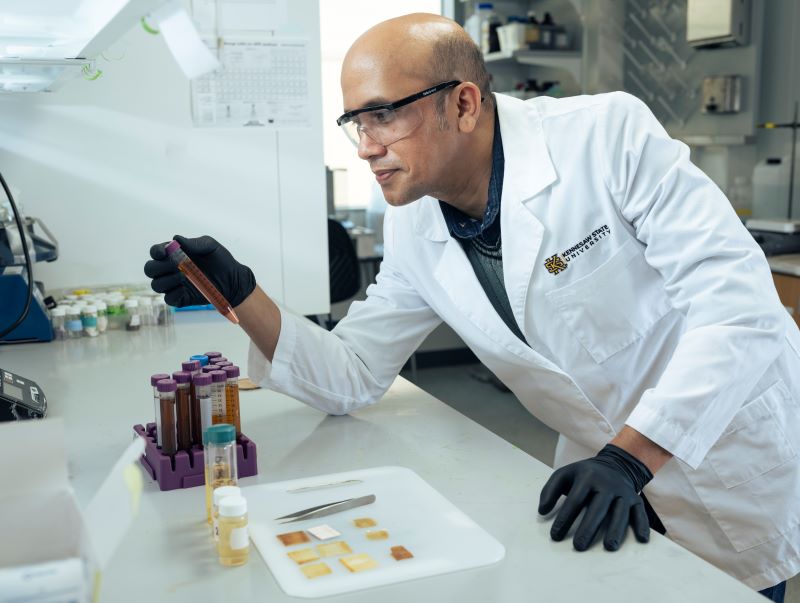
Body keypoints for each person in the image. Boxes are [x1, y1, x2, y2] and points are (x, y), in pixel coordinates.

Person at [145, 14, 799, 600]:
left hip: (721, 454)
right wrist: (240, 293)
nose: (366, 145)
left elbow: (740, 312)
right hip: (597, 477)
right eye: (355, 123)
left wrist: (633, 455)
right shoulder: (414, 226)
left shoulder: (604, 137)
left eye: (383, 115)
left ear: (462, 103)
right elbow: (351, 374)